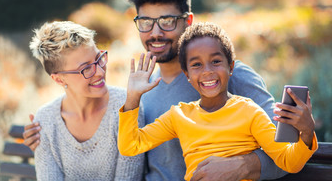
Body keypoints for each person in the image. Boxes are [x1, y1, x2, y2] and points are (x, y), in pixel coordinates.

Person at [23, 0, 305, 180]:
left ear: (188, 21)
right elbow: (121, 146)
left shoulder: (230, 77)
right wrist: (44, 135)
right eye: (145, 22)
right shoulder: (142, 88)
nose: (156, 33)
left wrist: (243, 165)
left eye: (168, 21)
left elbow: (285, 148)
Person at [118, 22, 318, 181]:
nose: (207, 71)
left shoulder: (249, 112)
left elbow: (289, 162)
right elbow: (130, 146)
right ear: (187, 74)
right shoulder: (179, 116)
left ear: (231, 67)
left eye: (216, 61)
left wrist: (307, 132)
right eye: (196, 65)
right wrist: (133, 99)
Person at [28, 21, 144, 180]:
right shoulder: (46, 120)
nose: (100, 71)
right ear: (59, 80)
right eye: (86, 68)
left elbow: (129, 177)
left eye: (99, 58)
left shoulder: (126, 106)